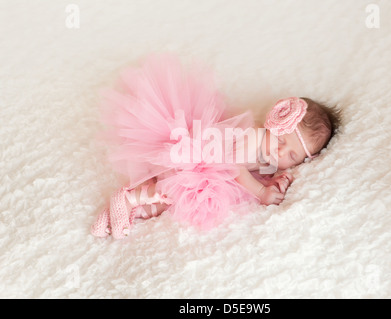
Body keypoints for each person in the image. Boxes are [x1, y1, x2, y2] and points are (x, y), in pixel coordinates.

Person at [91, 54, 340, 239]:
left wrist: (275, 181)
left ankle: (126, 213)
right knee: (173, 193)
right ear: (274, 124)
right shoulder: (255, 136)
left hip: (205, 167)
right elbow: (236, 169)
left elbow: (261, 170)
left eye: (292, 155)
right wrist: (261, 192)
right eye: (282, 141)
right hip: (195, 156)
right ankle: (128, 198)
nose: (280, 152)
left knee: (170, 201)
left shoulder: (270, 156)